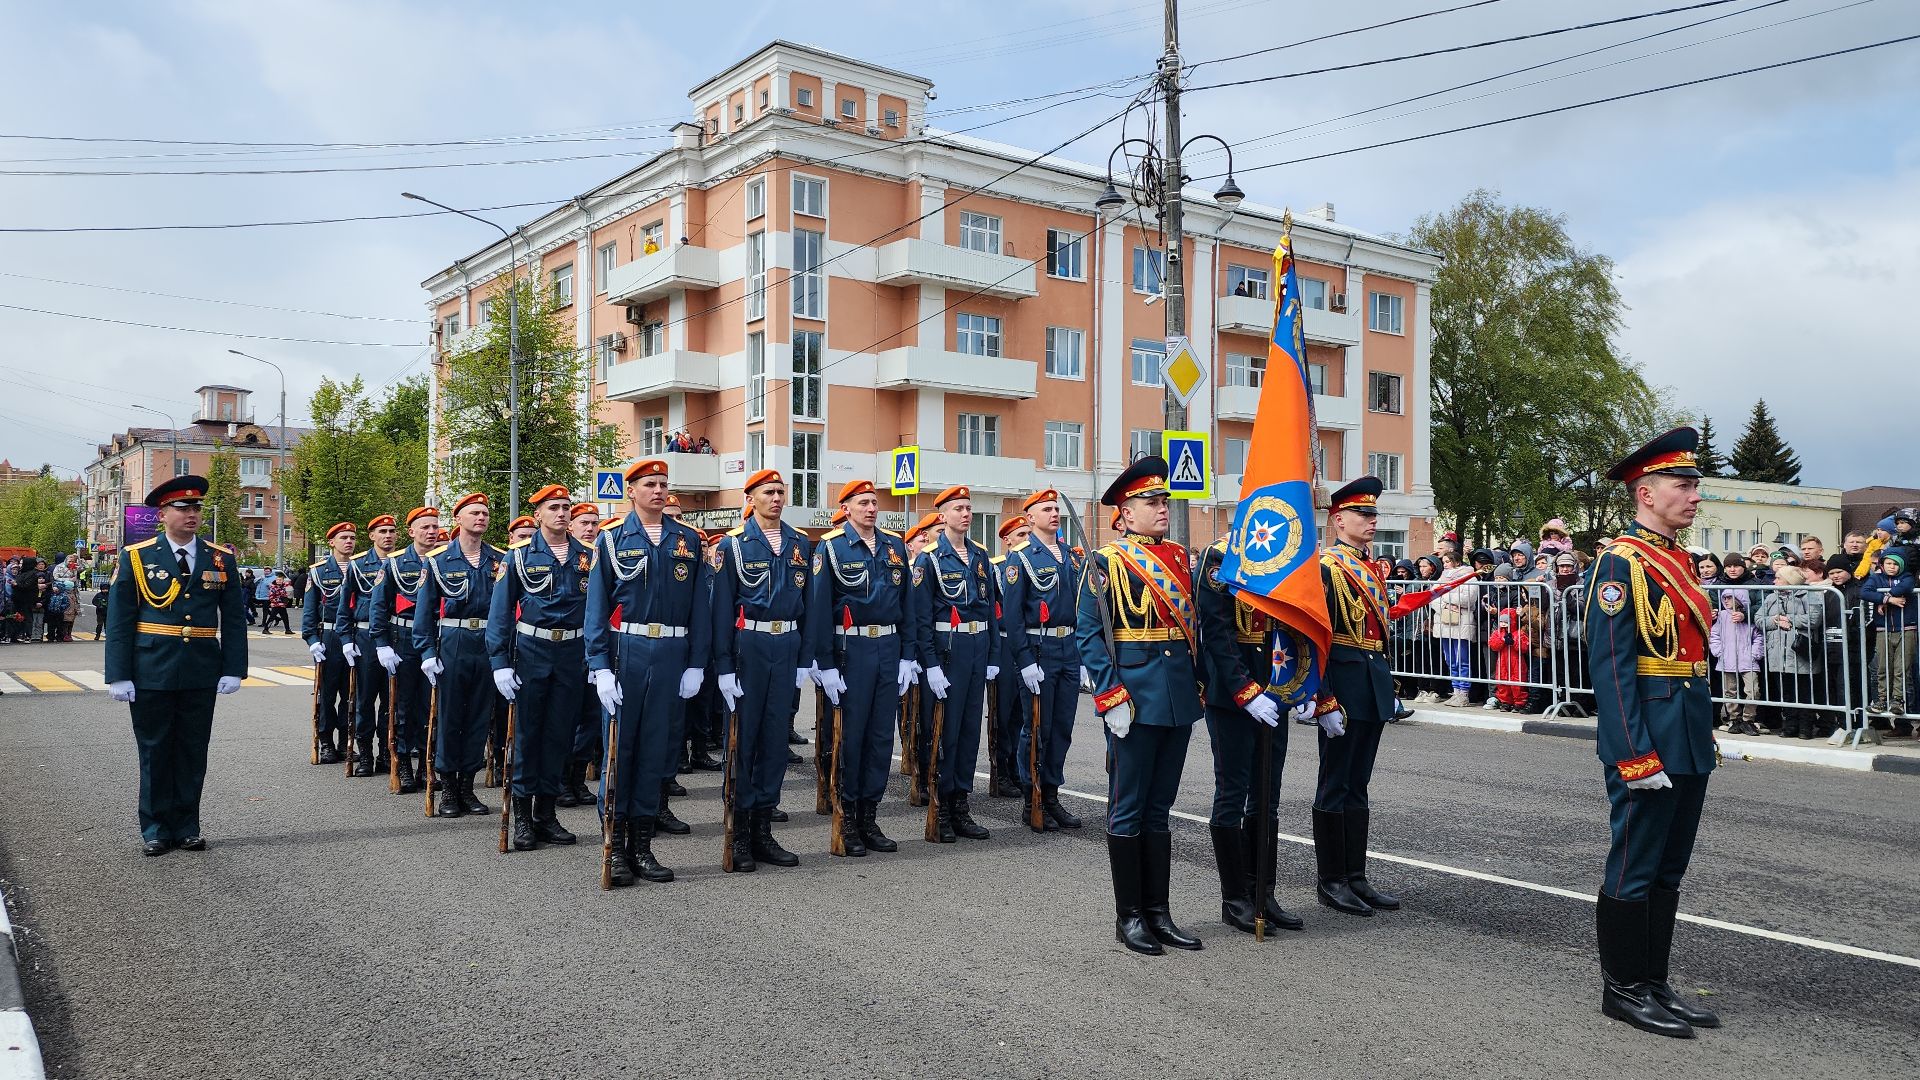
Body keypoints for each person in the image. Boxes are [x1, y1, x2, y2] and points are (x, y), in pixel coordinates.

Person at [1585, 425, 1721, 1038]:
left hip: (1686, 727)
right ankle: (1623, 988)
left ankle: (1654, 980)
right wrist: (1632, 752)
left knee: (1669, 867)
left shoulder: (1676, 560)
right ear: (1646, 492)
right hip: (1648, 735)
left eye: (1695, 484)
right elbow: (1611, 667)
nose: (1694, 495)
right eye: (1682, 484)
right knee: (1635, 864)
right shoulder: (1621, 561)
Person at [1076, 457, 1205, 955]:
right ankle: (1128, 916)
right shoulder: (1106, 562)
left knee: (1159, 808)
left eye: (1164, 501)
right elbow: (1089, 635)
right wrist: (1110, 695)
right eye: (1151, 502)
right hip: (1132, 697)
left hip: (1176, 697)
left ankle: (1159, 912)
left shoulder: (1179, 558)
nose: (1162, 508)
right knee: (1128, 807)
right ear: (1126, 513)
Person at [103, 475, 247, 855]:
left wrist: (234, 667)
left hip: (201, 667)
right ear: (162, 514)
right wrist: (118, 674)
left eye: (196, 507)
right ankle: (155, 829)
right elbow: (120, 619)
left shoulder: (221, 558)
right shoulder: (137, 556)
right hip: (151, 667)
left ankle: (187, 827)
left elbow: (234, 618)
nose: (192, 514)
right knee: (154, 750)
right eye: (182, 508)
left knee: (192, 750)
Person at [587, 461, 711, 885]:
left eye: (663, 484)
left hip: (672, 651)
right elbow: (597, 608)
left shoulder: (688, 539)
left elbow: (699, 607)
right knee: (621, 750)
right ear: (631, 491)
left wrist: (696, 663)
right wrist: (600, 667)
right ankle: (616, 845)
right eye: (649, 484)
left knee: (656, 750)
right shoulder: (611, 539)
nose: (658, 490)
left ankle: (642, 846)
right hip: (628, 650)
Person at [1195, 531, 1299, 937]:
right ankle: (1235, 898)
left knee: (1267, 797)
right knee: (1232, 794)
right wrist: (1245, 690)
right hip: (1233, 696)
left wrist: (1303, 684)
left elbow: (1296, 622)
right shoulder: (1219, 555)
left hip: (1274, 689)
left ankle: (1263, 893)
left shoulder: (1285, 551)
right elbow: (1217, 634)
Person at [1309, 477, 1404, 917]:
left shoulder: (1371, 568)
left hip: (1370, 682)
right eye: (1362, 514)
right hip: (1343, 684)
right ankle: (1331, 880)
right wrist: (1323, 697)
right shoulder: (1326, 567)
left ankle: (1355, 875)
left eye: (1373, 514)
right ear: (1338, 520)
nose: (1371, 520)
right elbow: (1317, 637)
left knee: (1358, 784)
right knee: (1336, 783)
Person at [805, 478, 914, 858]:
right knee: (850, 739)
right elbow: (819, 609)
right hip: (851, 651)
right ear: (846, 508)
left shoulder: (894, 546)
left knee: (881, 739)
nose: (871, 508)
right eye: (863, 502)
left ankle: (870, 817)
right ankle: (847, 818)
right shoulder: (831, 548)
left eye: (874, 502)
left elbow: (908, 606)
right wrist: (825, 663)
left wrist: (908, 656)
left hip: (888, 647)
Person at [711, 469, 813, 870]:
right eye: (768, 492)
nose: (776, 498)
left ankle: (763, 829)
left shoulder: (799, 543)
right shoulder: (733, 545)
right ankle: (738, 833)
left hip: (786, 644)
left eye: (780, 492)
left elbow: (809, 607)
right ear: (750, 498)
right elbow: (721, 609)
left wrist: (805, 659)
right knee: (744, 739)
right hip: (748, 646)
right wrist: (723, 665)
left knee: (774, 740)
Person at [488, 485, 593, 852]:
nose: (562, 513)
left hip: (572, 653)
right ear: (538, 515)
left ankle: (546, 814)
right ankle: (522, 816)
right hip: (532, 650)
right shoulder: (518, 557)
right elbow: (500, 613)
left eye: (566, 507)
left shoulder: (588, 556)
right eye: (554, 508)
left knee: (559, 735)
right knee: (527, 735)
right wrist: (499, 662)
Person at [912, 485, 999, 845]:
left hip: (977, 646)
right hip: (947, 651)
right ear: (942, 516)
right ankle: (942, 807)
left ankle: (961, 805)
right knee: (944, 732)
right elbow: (920, 619)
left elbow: (991, 610)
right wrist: (929, 664)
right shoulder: (929, 559)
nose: (965, 514)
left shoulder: (980, 555)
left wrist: (993, 656)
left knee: (968, 731)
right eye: (958, 509)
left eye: (968, 508)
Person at [1001, 489, 1086, 833]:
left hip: (1068, 648)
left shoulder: (1072, 557)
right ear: (1030, 517)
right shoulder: (1021, 557)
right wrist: (1024, 660)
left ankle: (1051, 796)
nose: (1054, 513)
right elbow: (1012, 617)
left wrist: (1082, 655)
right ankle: (1031, 799)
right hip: (1039, 649)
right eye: (1046, 509)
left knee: (1062, 728)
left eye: (1056, 508)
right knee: (1037, 728)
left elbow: (1082, 608)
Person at [414, 493, 503, 818]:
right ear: (459, 519)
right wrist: (427, 651)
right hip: (454, 641)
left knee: (479, 716)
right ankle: (449, 788)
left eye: (485, 513)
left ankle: (468, 786)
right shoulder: (438, 560)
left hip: (488, 643)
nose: (481, 517)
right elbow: (424, 613)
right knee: (451, 717)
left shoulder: (499, 560)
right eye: (474, 512)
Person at [368, 507, 440, 795]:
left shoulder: (443, 559)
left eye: (435, 526)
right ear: (411, 532)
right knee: (403, 706)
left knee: (430, 706)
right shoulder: (395, 563)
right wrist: (382, 643)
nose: (431, 532)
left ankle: (426, 764)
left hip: (436, 639)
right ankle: (404, 765)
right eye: (425, 527)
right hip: (404, 640)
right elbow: (378, 605)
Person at [335, 514, 400, 777]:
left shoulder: (402, 562)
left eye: (392, 531)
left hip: (395, 636)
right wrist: (345, 639)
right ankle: (365, 755)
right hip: (365, 639)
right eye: (382, 531)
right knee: (364, 700)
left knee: (392, 701)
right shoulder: (358, 564)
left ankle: (385, 752)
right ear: (372, 536)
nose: (388, 536)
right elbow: (344, 605)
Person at [560, 503, 605, 810]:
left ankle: (577, 778)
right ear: (571, 526)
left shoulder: (598, 557)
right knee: (565, 718)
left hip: (591, 648)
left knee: (590, 717)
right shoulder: (564, 556)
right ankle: (561, 780)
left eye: (594, 523)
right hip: (564, 646)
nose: (590, 528)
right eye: (584, 523)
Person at [302, 524, 356, 765]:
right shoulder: (319, 572)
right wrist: (312, 640)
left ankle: (345, 742)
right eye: (343, 537)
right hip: (329, 638)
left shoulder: (359, 568)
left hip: (354, 638)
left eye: (352, 537)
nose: (349, 541)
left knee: (351, 694)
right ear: (332, 542)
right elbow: (309, 611)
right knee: (327, 694)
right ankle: (326, 742)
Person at [988, 513, 1030, 798]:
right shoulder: (998, 568)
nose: (1027, 539)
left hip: (1025, 645)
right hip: (1003, 644)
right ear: (1008, 541)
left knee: (1020, 713)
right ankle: (1000, 771)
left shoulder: (1034, 564)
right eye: (1021, 535)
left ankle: (1015, 768)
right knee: (1002, 713)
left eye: (1029, 534)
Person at [1759, 566, 1821, 739]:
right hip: (1779, 653)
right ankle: (1790, 726)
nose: (1774, 581)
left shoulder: (1808, 595)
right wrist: (1775, 620)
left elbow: (1814, 618)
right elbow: (1758, 619)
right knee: (1786, 693)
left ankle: (1805, 727)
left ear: (1790, 580)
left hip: (1800, 652)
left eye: (1779, 578)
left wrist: (1790, 620)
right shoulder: (1771, 598)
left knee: (1804, 692)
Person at [1859, 550, 1915, 721]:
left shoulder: (1907, 577)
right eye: (1888, 563)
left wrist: (1887, 595)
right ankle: (1882, 699)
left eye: (1896, 564)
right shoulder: (1876, 578)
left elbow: (1906, 587)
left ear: (1902, 565)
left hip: (1906, 628)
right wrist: (1887, 600)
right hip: (1883, 629)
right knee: (1883, 666)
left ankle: (1898, 700)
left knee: (1901, 667)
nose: (1892, 567)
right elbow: (1865, 592)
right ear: (1882, 564)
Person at [1708, 591, 1763, 736]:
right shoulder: (1721, 616)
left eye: (1729, 598)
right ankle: (1734, 719)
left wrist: (1754, 654)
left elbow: (1758, 636)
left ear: (1739, 599)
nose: (1726, 601)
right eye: (1724, 598)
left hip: (1748, 659)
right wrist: (1719, 651)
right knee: (1729, 691)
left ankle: (1748, 720)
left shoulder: (1748, 616)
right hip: (1727, 658)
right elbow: (1714, 635)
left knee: (1753, 690)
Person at [1432, 551, 1479, 707]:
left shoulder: (1469, 577)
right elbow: (1432, 597)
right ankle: (1455, 690)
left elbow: (1468, 599)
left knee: (1462, 659)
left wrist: (1445, 596)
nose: (1445, 564)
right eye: (1444, 562)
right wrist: (1446, 605)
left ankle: (1464, 693)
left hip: (1462, 622)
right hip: (1444, 621)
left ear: (1457, 562)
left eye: (1448, 561)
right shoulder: (1441, 578)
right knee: (1450, 659)